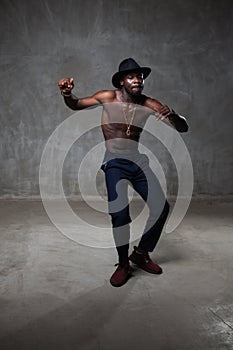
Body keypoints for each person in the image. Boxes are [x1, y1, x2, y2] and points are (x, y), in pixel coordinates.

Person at [58, 58, 188, 287]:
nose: (137, 80)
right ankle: (123, 263)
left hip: (137, 161)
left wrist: (174, 115)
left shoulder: (149, 104)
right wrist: (67, 94)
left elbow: (182, 128)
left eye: (140, 77)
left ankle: (141, 253)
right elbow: (76, 105)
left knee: (161, 207)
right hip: (114, 162)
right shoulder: (107, 97)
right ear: (121, 81)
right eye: (131, 77)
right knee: (120, 213)